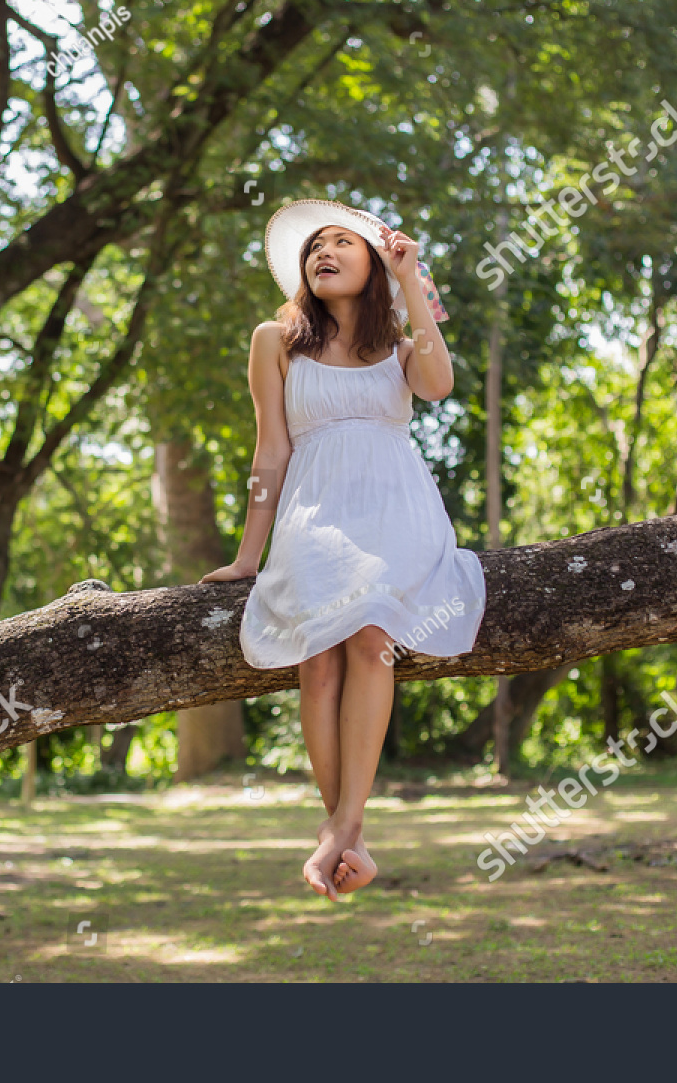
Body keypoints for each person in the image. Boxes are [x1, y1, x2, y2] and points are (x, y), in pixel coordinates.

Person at [200, 200, 486, 901]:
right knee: (316, 663)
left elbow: (439, 385)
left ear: (375, 262)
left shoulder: (398, 341)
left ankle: (340, 831)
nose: (322, 251)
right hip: (314, 516)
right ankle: (349, 837)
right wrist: (247, 557)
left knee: (369, 640)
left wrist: (409, 278)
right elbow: (270, 453)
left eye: (341, 243)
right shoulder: (275, 339)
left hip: (395, 509)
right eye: (313, 247)